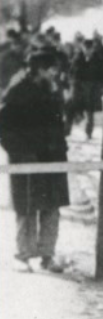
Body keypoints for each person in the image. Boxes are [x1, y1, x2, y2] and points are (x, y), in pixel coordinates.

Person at [0, 46, 71, 273]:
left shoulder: (52, 90)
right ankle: (23, 255)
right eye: (52, 70)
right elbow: (4, 128)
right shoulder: (18, 91)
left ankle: (47, 255)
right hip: (27, 158)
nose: (55, 74)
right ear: (40, 70)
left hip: (53, 157)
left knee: (51, 208)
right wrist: (21, 153)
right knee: (27, 208)